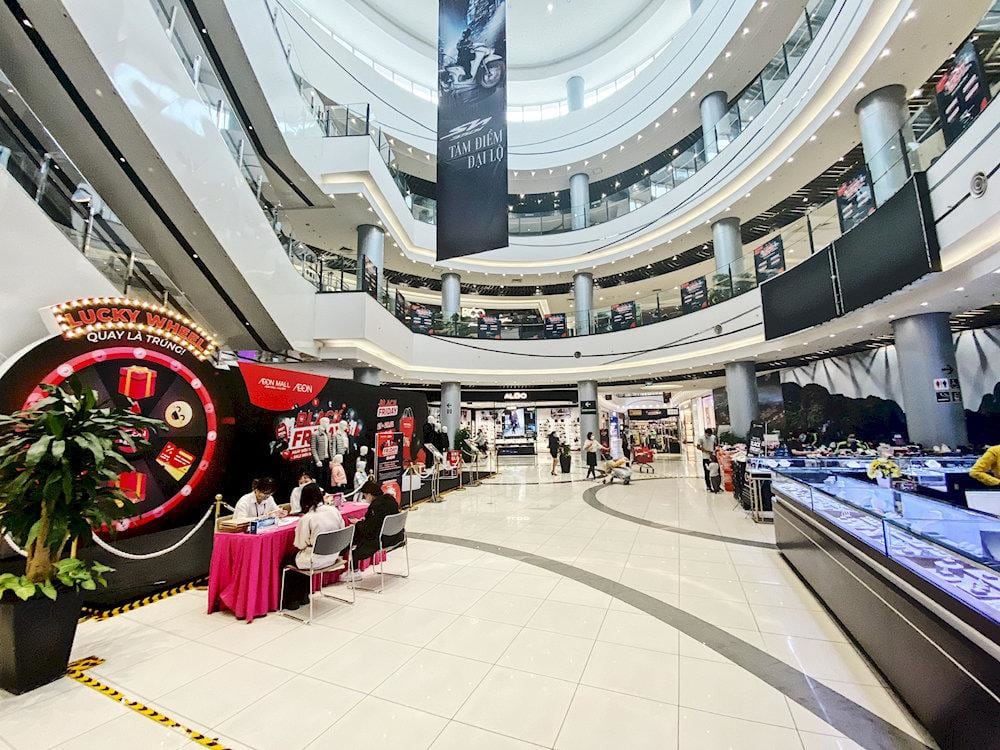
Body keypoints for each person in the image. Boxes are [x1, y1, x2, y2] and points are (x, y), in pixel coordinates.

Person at [282, 483, 346, 610]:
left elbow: (300, 544)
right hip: (333, 555)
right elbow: (342, 530)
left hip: (315, 560)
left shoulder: (308, 518)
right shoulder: (334, 510)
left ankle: (292, 600)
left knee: (288, 561)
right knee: (300, 559)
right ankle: (304, 595)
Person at [347, 493, 403, 569]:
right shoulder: (390, 502)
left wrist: (358, 523)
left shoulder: (376, 506)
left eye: (365, 495)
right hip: (397, 536)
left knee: (355, 535)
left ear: (369, 494)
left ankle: (353, 570)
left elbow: (370, 529)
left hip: (382, 541)